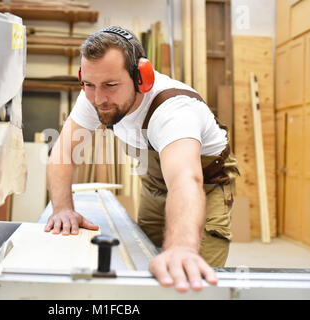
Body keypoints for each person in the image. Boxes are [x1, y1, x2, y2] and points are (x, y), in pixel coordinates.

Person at [44, 26, 239, 293]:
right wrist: (63, 208)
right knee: (140, 261)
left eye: (111, 85)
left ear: (141, 78)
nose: (99, 98)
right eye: (89, 84)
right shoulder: (96, 94)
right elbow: (63, 151)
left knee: (190, 282)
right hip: (155, 185)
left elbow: (185, 179)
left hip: (203, 186)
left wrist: (181, 247)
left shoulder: (174, 110)